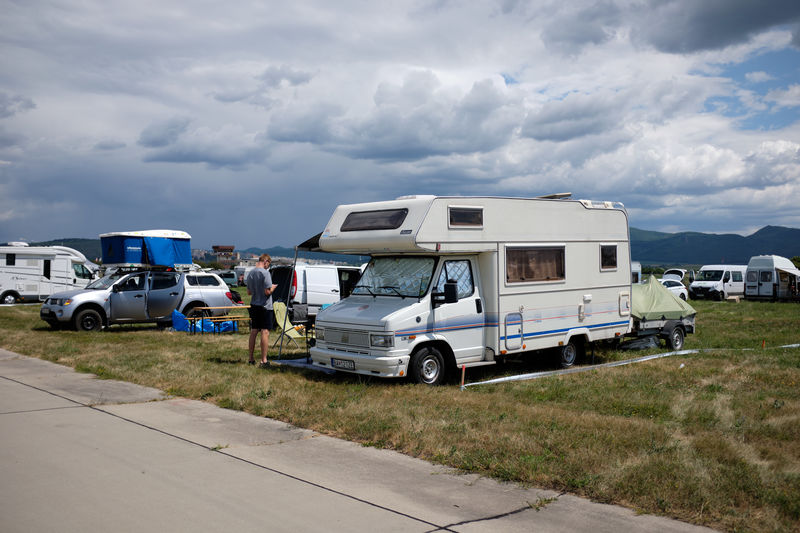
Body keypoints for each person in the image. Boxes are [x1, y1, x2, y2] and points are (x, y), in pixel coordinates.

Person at [245, 254, 277, 367]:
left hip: (254, 305)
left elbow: (249, 292)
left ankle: (251, 358)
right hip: (265, 306)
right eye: (269, 264)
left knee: (254, 331)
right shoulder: (265, 273)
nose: (268, 266)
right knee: (265, 331)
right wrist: (273, 287)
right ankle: (264, 360)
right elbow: (267, 292)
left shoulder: (250, 273)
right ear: (266, 261)